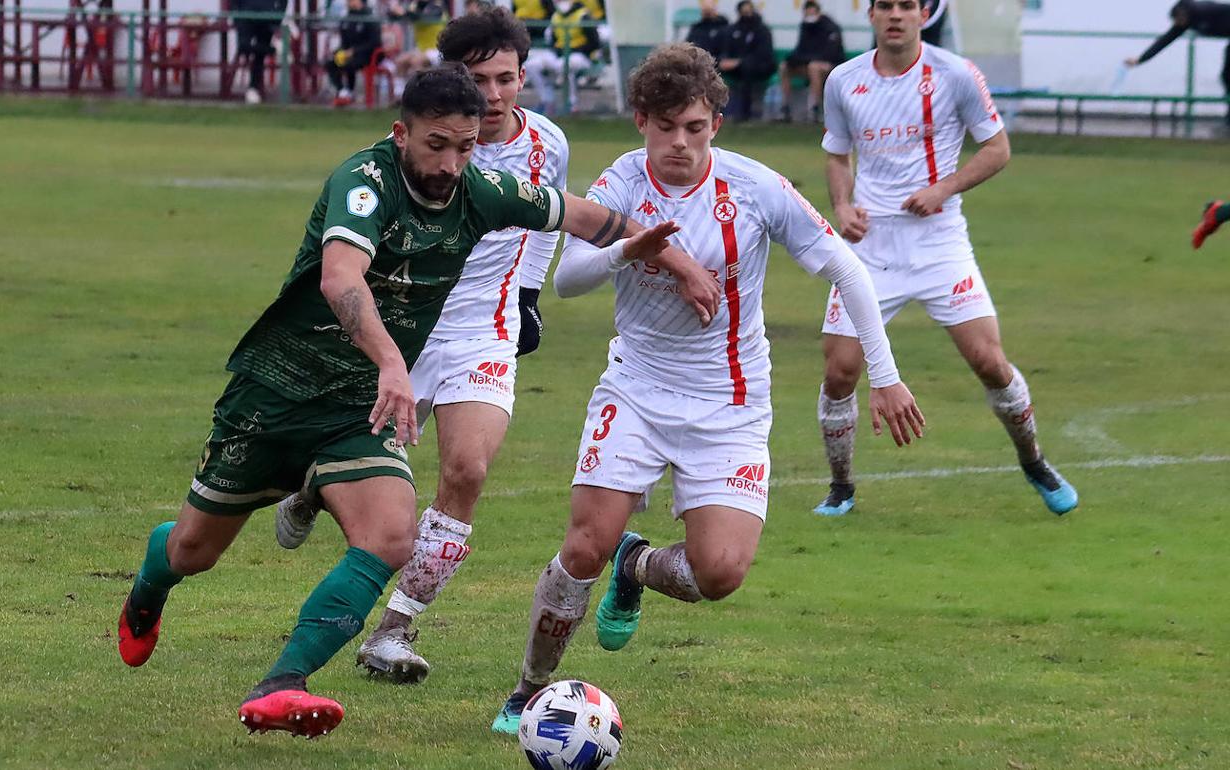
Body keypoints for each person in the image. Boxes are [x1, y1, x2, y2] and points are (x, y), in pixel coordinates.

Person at [114, 62, 719, 740]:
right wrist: (392, 361)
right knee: (195, 551)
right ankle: (150, 584)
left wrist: (678, 261)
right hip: (274, 394)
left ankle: (281, 684)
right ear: (401, 133)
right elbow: (341, 277)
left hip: (356, 410)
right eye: (437, 145)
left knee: (391, 535)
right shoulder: (364, 184)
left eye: (465, 147)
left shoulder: (480, 188)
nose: (452, 162)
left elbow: (587, 217)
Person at [490, 42, 925, 735]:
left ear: (715, 124)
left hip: (730, 405)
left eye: (695, 128)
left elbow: (850, 271)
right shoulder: (622, 185)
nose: (680, 144)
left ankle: (636, 565)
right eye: (666, 128)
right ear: (641, 120)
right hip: (634, 390)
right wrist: (628, 249)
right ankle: (527, 691)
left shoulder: (755, 188)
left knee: (718, 574)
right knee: (581, 548)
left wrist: (888, 375)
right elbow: (568, 279)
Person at [274, 5, 571, 685]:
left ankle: (394, 631)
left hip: (480, 332)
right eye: (479, 80)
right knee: (358, 470)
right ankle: (312, 481)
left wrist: (527, 292)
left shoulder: (547, 143)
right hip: (405, 324)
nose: (494, 96)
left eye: (506, 79)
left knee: (466, 472)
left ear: (523, 76)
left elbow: (551, 218)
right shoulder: (411, 149)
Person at [814, 0, 1078, 518]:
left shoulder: (955, 74)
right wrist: (842, 205)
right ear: (869, 15)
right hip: (870, 247)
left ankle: (1034, 460)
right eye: (884, 5)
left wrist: (944, 189)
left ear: (923, 14)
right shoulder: (843, 80)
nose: (895, 14)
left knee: (989, 362)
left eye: (906, 5)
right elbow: (836, 153)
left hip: (939, 242)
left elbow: (997, 148)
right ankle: (841, 485)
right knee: (840, 373)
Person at [1125, 1, 1230, 125]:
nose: (1177, 24)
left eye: (1179, 20)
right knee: (1226, 77)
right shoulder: (1184, 23)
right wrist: (1140, 59)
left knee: (1227, 74)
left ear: (1186, 15)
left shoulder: (1206, 11)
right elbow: (1164, 41)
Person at [526, 0, 601, 113]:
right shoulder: (556, 16)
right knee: (531, 65)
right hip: (559, 54)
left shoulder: (583, 15)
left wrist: (572, 50)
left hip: (581, 55)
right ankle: (547, 100)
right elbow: (553, 40)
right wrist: (558, 51)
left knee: (565, 65)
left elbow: (595, 43)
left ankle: (571, 105)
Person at [779, 1, 845, 123]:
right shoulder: (805, 27)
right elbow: (800, 49)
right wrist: (792, 59)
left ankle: (813, 108)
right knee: (784, 67)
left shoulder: (830, 28)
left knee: (814, 67)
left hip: (832, 65)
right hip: (810, 62)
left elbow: (831, 54)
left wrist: (806, 59)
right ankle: (785, 107)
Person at [719, 1, 776, 121]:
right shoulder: (732, 30)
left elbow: (763, 54)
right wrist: (724, 60)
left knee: (747, 68)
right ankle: (717, 110)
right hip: (737, 67)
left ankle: (745, 112)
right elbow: (726, 49)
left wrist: (740, 62)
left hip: (760, 66)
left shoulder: (762, 31)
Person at [325, 0, 382, 107]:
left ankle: (349, 92)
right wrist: (339, 51)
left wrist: (354, 51)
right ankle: (343, 91)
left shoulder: (370, 18)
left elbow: (375, 42)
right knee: (330, 63)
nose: (348, 2)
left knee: (350, 64)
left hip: (367, 55)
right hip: (349, 54)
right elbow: (344, 42)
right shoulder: (347, 19)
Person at [231, 0, 288, 105]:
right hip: (245, 16)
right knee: (243, 46)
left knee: (259, 57)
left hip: (267, 16)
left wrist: (278, 17)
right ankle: (274, 50)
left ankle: (253, 88)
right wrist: (236, 16)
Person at [686, 0, 730, 66]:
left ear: (715, 9)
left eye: (709, 10)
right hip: (698, 63)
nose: (707, 12)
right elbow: (688, 44)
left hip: (717, 64)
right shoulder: (696, 28)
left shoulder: (724, 27)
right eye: (705, 10)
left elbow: (727, 50)